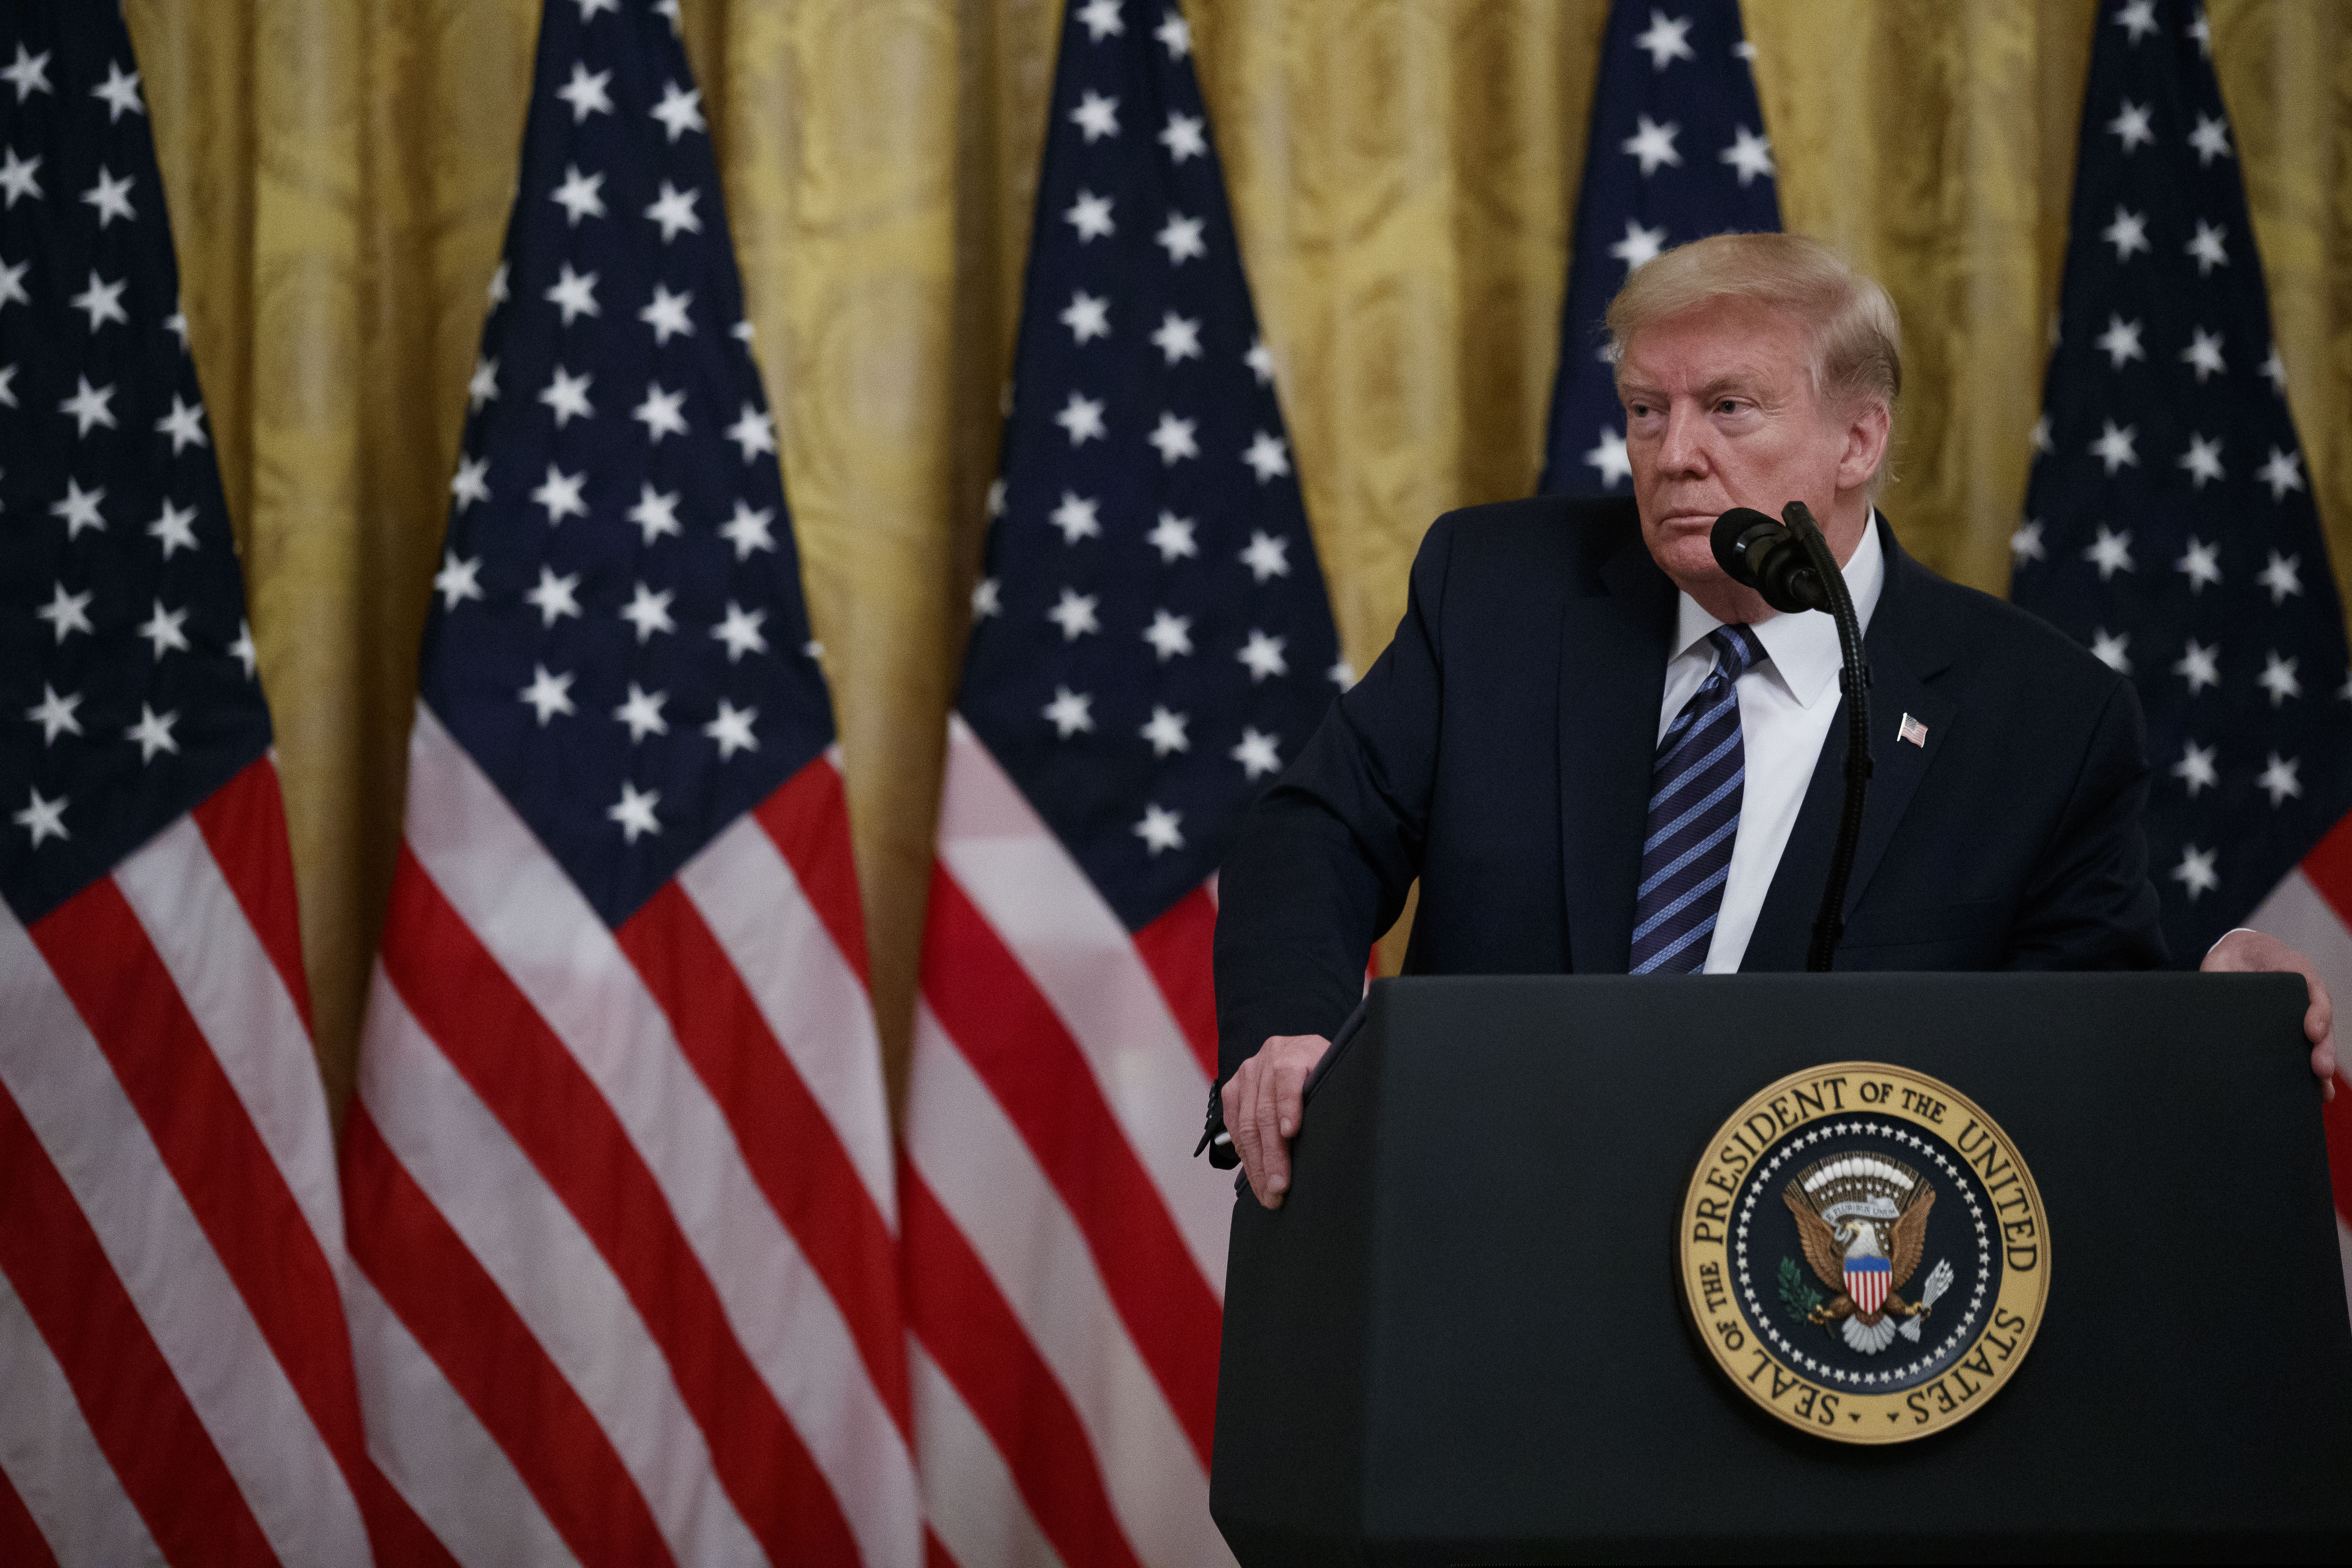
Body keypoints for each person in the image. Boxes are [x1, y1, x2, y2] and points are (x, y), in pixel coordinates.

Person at [1213, 233, 2337, 1210]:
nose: (1674, 454)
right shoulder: (1503, 591)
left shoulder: (2038, 717)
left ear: (1858, 442)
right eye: (1647, 412)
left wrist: (2210, 1017)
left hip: (1819, 1302)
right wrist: (1289, 1035)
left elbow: (2073, 1038)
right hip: (1494, 1236)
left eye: (1728, 409)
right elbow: (1314, 828)